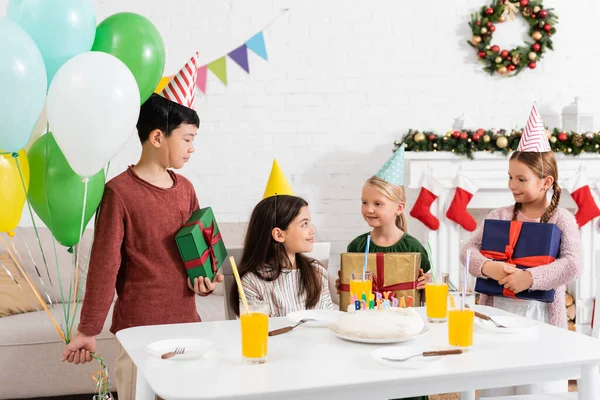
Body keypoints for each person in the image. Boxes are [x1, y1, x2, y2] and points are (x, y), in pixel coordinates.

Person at [61, 54, 223, 400]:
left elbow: (197, 253)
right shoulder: (119, 192)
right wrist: (89, 330)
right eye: (188, 139)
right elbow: (105, 267)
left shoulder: (186, 189)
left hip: (187, 324)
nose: (193, 148)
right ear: (156, 138)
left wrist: (207, 280)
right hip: (139, 330)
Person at [461, 103, 581, 396]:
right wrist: (489, 267)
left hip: (541, 318)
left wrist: (530, 278)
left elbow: (572, 263)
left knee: (540, 387)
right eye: (510, 177)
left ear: (546, 182)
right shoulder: (498, 215)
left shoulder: (561, 218)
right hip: (497, 318)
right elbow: (467, 251)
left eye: (521, 179)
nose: (512, 185)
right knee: (496, 385)